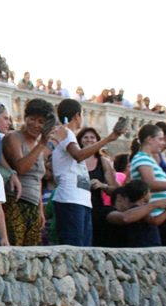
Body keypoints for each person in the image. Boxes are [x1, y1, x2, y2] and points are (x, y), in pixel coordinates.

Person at [50, 100, 124, 247]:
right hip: (70, 199)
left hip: (80, 200)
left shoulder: (68, 134)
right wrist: (108, 139)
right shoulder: (67, 134)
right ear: (78, 115)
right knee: (74, 248)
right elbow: (78, 155)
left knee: (83, 248)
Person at [2, 99, 60, 247]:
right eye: (32, 119)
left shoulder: (37, 145)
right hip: (15, 201)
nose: (36, 125)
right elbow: (21, 168)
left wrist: (40, 210)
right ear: (25, 118)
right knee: (14, 248)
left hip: (33, 205)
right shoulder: (14, 137)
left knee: (31, 251)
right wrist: (42, 144)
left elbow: (38, 180)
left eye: (41, 121)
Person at [94, 180, 166, 248]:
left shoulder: (136, 213)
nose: (133, 200)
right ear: (119, 198)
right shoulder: (105, 211)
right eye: (130, 197)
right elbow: (125, 218)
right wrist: (154, 205)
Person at [78, 127, 117, 211]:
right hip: (78, 204)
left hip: (96, 205)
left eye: (92, 137)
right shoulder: (75, 160)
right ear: (80, 140)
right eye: (85, 137)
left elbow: (113, 190)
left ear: (97, 141)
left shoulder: (103, 162)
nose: (89, 140)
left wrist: (102, 185)